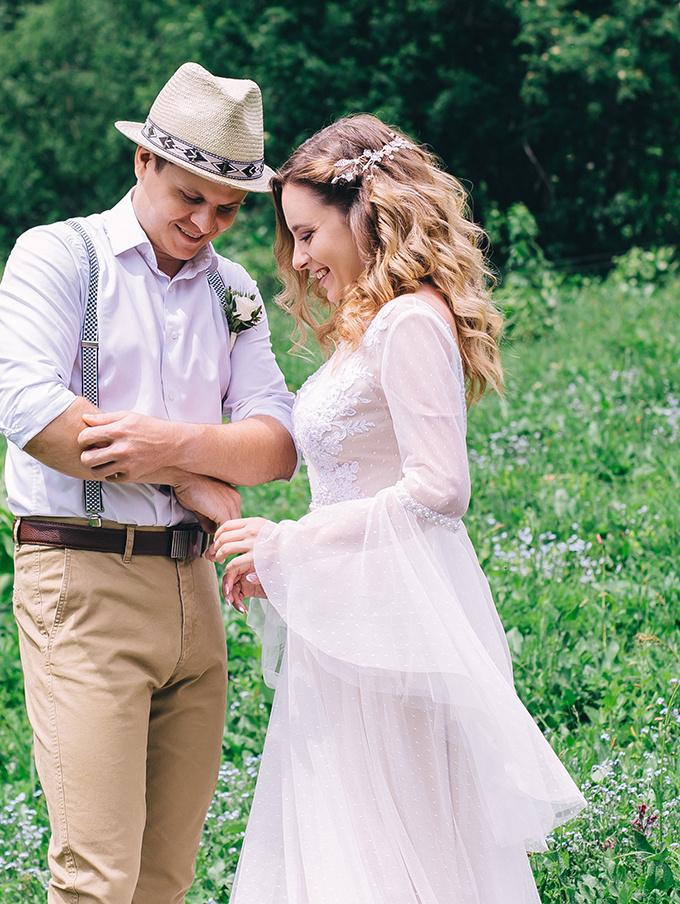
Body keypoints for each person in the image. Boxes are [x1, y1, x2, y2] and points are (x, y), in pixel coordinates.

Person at [211, 115, 583, 904]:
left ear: (365, 207)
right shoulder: (367, 326)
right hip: (344, 621)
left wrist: (293, 542)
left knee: (403, 848)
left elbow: (440, 488)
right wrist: (287, 561)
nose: (302, 258)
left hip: (393, 624)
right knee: (346, 844)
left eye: (309, 233)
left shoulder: (412, 318)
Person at [0, 63, 300, 904]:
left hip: (198, 590)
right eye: (189, 197)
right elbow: (33, 411)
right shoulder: (59, 256)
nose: (205, 223)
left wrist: (168, 450)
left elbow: (274, 445)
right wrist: (188, 471)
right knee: (96, 876)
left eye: (227, 208)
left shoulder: (234, 291)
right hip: (82, 581)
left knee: (165, 878)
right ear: (143, 166)